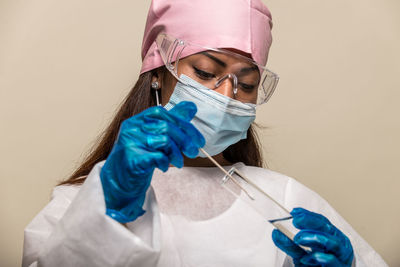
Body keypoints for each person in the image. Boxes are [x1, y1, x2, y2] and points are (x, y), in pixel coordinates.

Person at [22, 0, 387, 266]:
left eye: (246, 84)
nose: (226, 97)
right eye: (206, 71)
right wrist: (111, 206)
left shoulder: (287, 202)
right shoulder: (83, 201)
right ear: (158, 73)